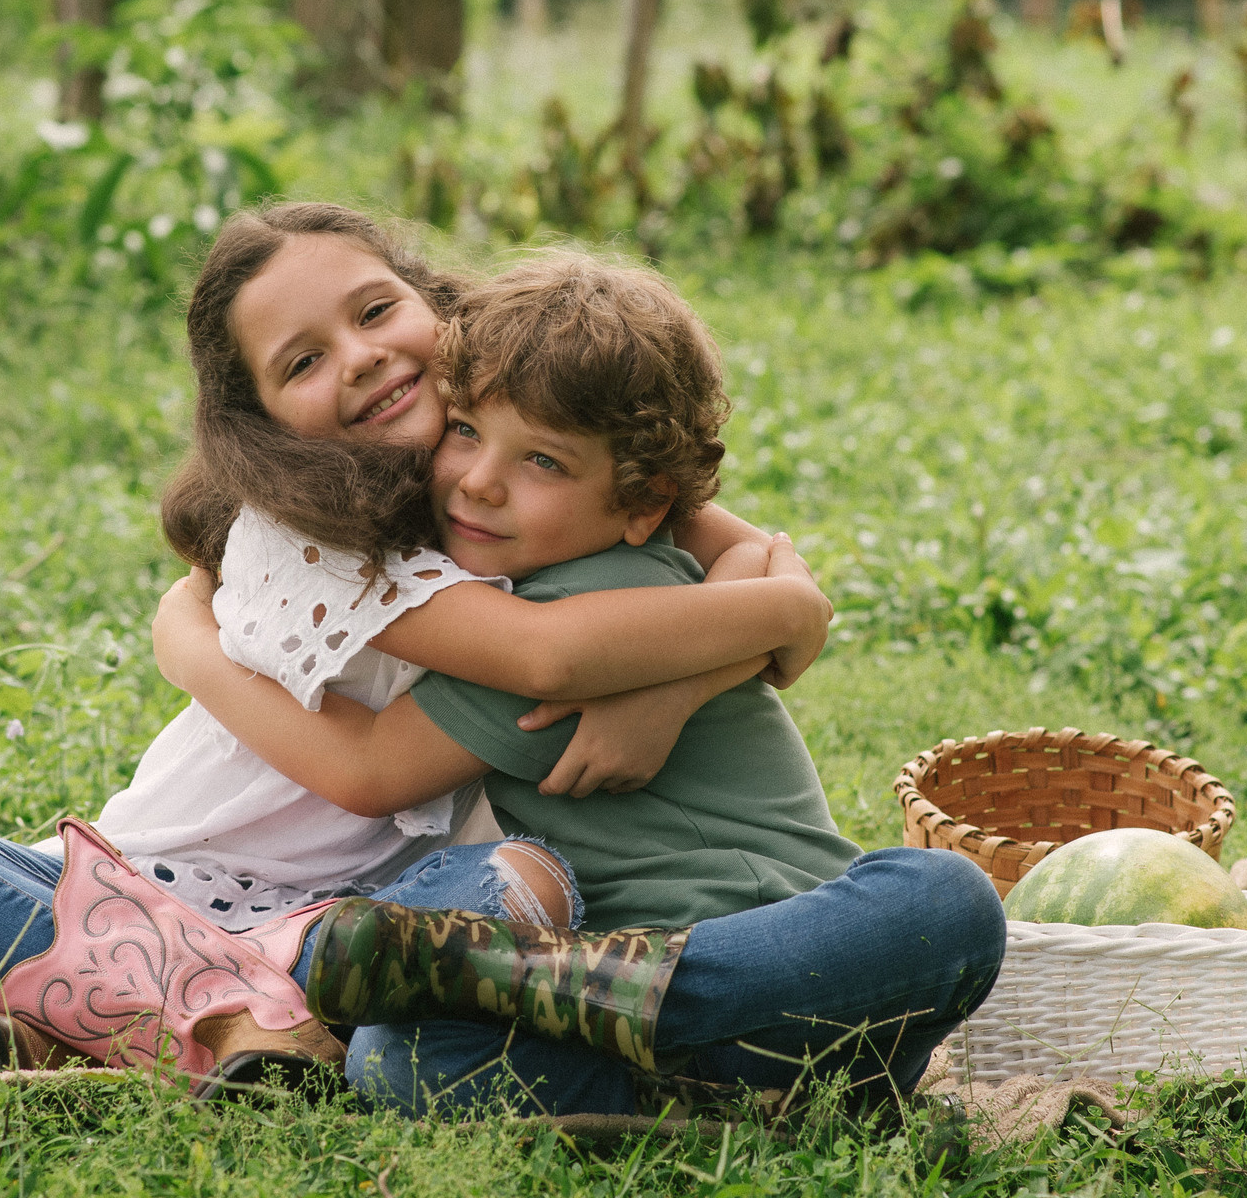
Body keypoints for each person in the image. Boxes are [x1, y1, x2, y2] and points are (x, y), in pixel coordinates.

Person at [0, 205, 828, 1085]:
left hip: (359, 924)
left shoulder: (516, 466)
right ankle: (229, 1011)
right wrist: (764, 629)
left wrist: (687, 680)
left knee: (522, 879)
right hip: (148, 885)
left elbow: (759, 562)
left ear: (435, 303)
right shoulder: (305, 537)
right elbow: (545, 659)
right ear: (267, 420)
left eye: (376, 310)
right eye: (304, 361)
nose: (363, 355)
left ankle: (137, 1017)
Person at [152, 254, 1008, 1118]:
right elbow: (745, 561)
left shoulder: (585, 607)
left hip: (782, 949)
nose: (482, 481)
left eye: (545, 463)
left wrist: (185, 641)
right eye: (466, 432)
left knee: (946, 898)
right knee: (393, 1059)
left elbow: (483, 699)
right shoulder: (500, 587)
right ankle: (667, 1072)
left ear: (642, 504)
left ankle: (559, 994)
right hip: (750, 1027)